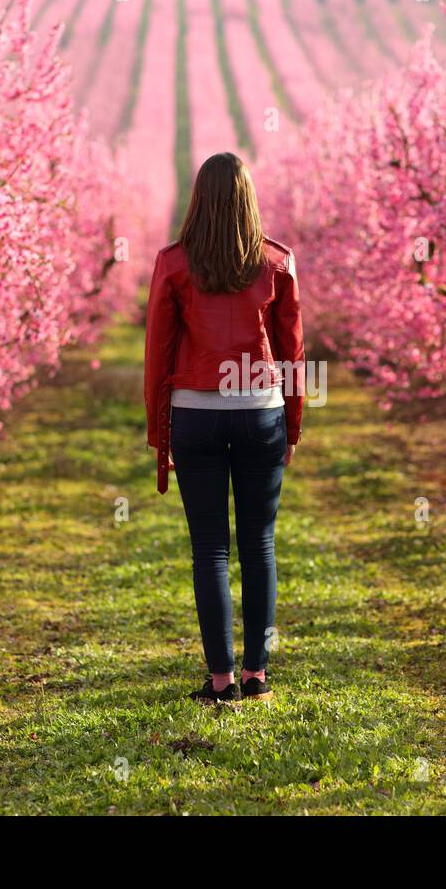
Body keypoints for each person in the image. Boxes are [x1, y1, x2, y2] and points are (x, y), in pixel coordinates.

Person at [143, 152, 305, 705]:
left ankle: (220, 680)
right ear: (247, 198)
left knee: (209, 548)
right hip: (261, 409)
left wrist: (158, 434)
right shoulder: (277, 262)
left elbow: (157, 354)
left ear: (199, 199)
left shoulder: (173, 263)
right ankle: (257, 675)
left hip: (195, 415)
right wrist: (295, 421)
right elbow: (292, 351)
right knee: (259, 543)